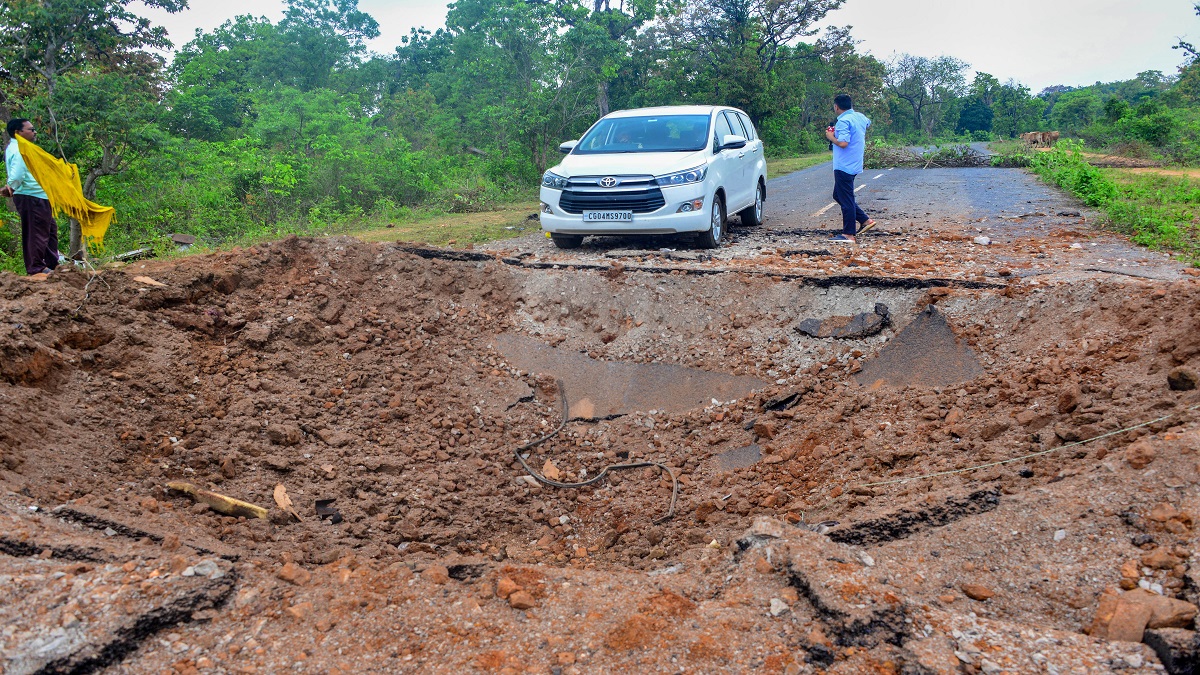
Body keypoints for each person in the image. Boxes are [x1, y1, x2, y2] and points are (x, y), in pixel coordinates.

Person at [2, 118, 60, 275]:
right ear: (18, 132)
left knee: (49, 230)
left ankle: (52, 265)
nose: (35, 132)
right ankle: (36, 268)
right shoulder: (19, 148)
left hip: (39, 195)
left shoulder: (25, 147)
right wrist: (11, 187)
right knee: (36, 231)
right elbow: (18, 173)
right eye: (31, 129)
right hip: (30, 196)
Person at [824, 95, 875, 244]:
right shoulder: (860, 117)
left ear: (836, 107)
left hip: (844, 165)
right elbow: (867, 123)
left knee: (846, 199)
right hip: (855, 162)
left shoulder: (843, 121)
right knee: (838, 195)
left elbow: (843, 143)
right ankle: (865, 220)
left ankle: (848, 234)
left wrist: (831, 136)